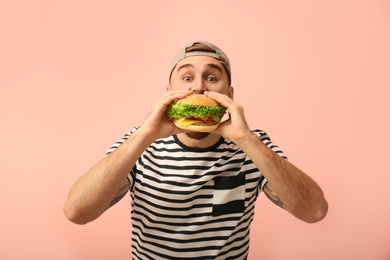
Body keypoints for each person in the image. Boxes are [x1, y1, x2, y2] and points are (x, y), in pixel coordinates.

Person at [64, 41, 328, 259]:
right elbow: (77, 212)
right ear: (168, 92)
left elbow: (314, 211)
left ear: (230, 94)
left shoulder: (254, 145)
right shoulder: (139, 144)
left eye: (212, 78)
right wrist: (145, 135)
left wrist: (245, 139)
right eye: (187, 77)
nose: (199, 87)